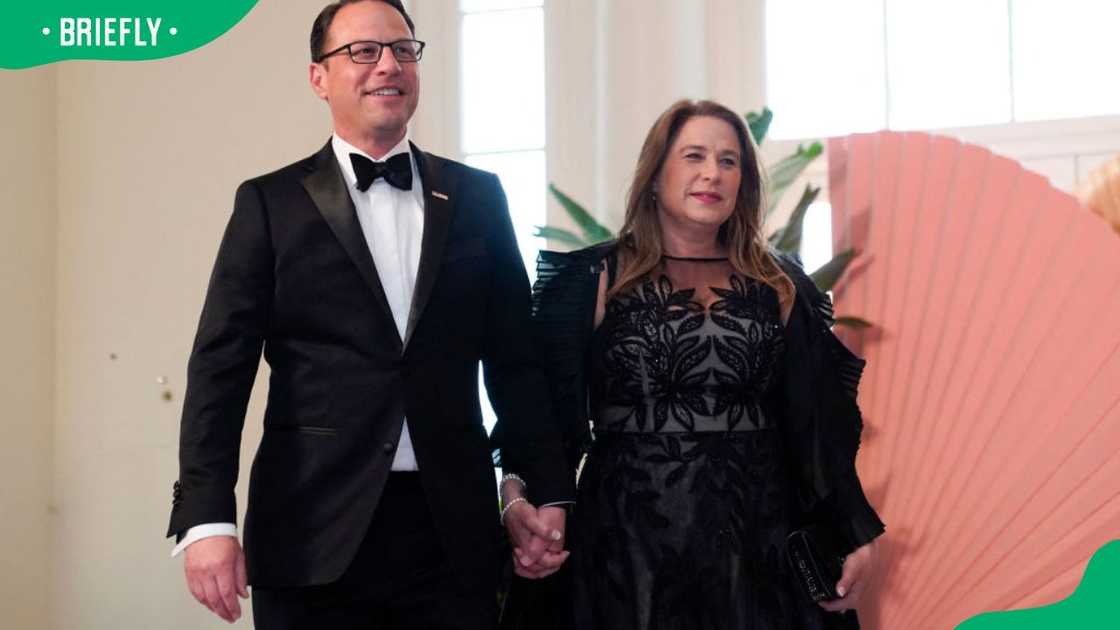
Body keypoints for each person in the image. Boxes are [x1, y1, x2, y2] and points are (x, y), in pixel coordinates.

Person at [166, 1, 571, 627]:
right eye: (363, 51)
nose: (388, 64)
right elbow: (221, 370)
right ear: (318, 77)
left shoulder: (477, 199)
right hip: (310, 533)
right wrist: (206, 517)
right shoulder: (268, 204)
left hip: (452, 536)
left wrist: (540, 488)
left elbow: (517, 363)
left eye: (403, 49)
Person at [500, 99, 884, 629]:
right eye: (695, 156)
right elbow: (537, 413)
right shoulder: (591, 278)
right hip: (625, 547)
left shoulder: (782, 285)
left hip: (759, 548)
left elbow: (816, 424)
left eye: (730, 161)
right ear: (656, 174)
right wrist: (518, 498)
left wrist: (850, 530)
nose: (713, 173)